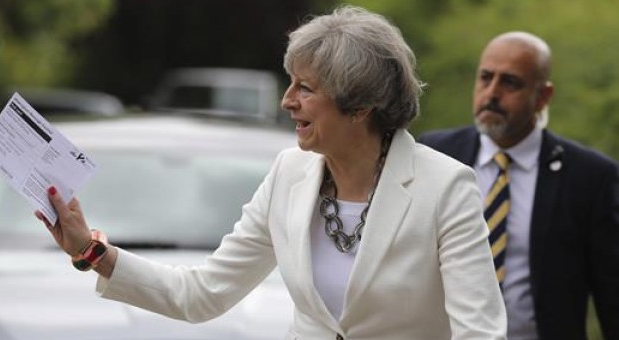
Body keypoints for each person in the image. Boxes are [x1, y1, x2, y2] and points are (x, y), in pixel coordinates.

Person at [36, 6, 507, 339]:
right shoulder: (289, 173)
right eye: (290, 83)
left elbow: (480, 332)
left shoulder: (446, 187)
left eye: (306, 88)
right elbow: (202, 294)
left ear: (360, 106)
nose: (287, 101)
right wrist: (90, 251)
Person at [419, 31, 619, 340]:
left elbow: (612, 296)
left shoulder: (591, 178)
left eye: (510, 82)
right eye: (485, 78)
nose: (492, 92)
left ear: (542, 97)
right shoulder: (433, 155)